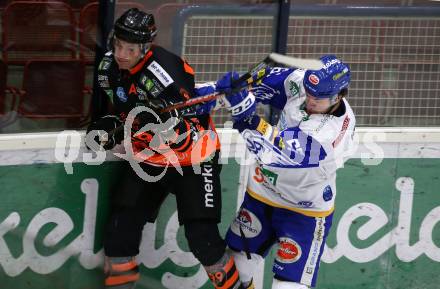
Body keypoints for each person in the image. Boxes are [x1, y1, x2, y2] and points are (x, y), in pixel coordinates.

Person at [86, 8, 243, 289]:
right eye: (118, 44)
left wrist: (160, 125)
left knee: (203, 240)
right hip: (149, 158)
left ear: (145, 48)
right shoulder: (108, 68)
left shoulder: (166, 72)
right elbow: (120, 111)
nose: (121, 53)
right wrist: (108, 127)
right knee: (119, 233)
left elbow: (184, 127)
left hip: (193, 157)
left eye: (130, 48)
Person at [195, 55, 356, 289]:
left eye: (318, 98)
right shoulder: (304, 82)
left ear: (340, 95)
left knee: (288, 287)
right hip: (263, 196)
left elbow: (272, 152)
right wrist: (216, 94)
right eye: (309, 93)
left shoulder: (330, 134)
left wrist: (243, 111)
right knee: (233, 272)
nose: (310, 101)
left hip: (304, 210)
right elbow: (259, 85)